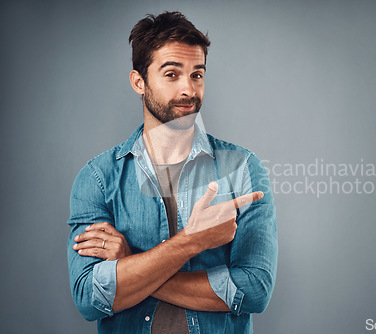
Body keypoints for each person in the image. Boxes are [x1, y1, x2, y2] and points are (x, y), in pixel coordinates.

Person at [67, 11, 278, 334]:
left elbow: (254, 290)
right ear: (139, 82)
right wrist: (192, 242)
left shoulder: (243, 169)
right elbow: (90, 297)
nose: (188, 90)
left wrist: (129, 263)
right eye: (171, 74)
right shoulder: (98, 178)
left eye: (197, 74)